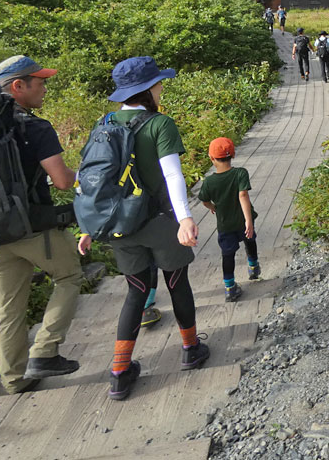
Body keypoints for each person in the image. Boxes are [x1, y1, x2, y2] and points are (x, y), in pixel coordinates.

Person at [78, 56, 209, 400]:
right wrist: (184, 219)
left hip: (120, 224)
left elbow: (91, 179)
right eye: (158, 83)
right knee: (177, 282)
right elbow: (172, 175)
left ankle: (119, 372)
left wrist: (88, 226)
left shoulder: (104, 123)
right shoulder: (159, 124)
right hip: (159, 222)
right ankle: (190, 348)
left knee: (136, 293)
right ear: (148, 89)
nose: (162, 87)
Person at [0, 55, 83, 394]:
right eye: (39, 81)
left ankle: (13, 379)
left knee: (7, 310)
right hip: (32, 228)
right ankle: (44, 351)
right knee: (69, 276)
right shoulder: (34, 127)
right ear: (18, 86)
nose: (44, 86)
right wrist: (83, 174)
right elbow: (63, 181)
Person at [197, 137, 260, 302]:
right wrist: (248, 221)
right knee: (250, 241)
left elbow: (203, 200)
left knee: (228, 254)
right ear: (232, 154)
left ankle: (230, 287)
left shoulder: (209, 181)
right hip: (243, 220)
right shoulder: (240, 173)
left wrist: (212, 207)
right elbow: (243, 195)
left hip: (225, 224)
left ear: (211, 158)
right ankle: (253, 267)